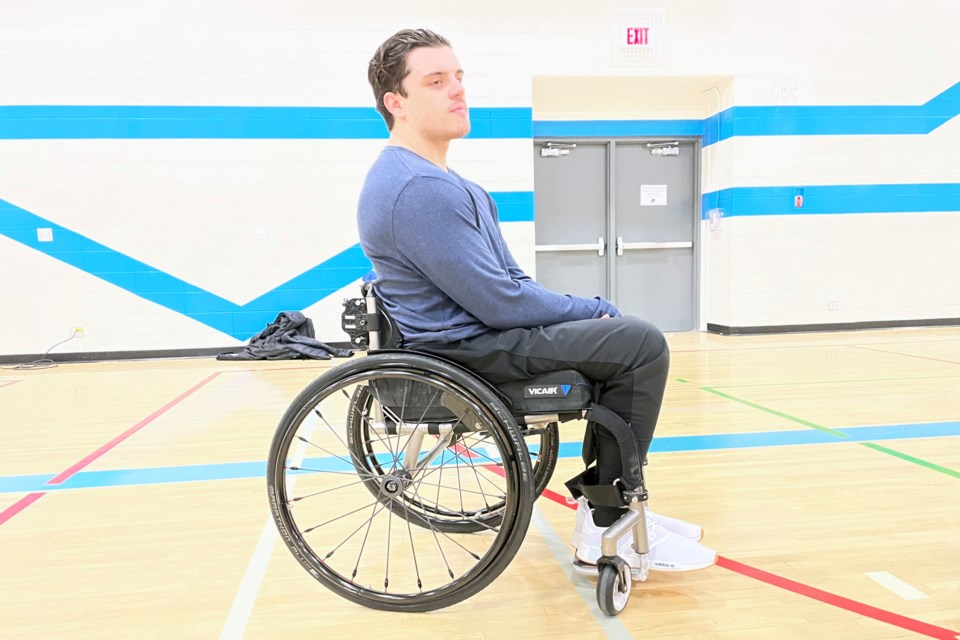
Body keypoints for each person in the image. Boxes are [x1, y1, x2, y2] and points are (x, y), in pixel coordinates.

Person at [358, 28, 716, 573]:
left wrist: (584, 310)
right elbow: (502, 302)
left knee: (620, 340)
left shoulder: (455, 185)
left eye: (459, 78)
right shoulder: (417, 189)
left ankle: (614, 505)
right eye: (436, 81)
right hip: (468, 351)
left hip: (482, 337)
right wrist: (593, 307)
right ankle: (605, 522)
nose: (457, 90)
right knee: (639, 342)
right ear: (396, 102)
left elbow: (510, 282)